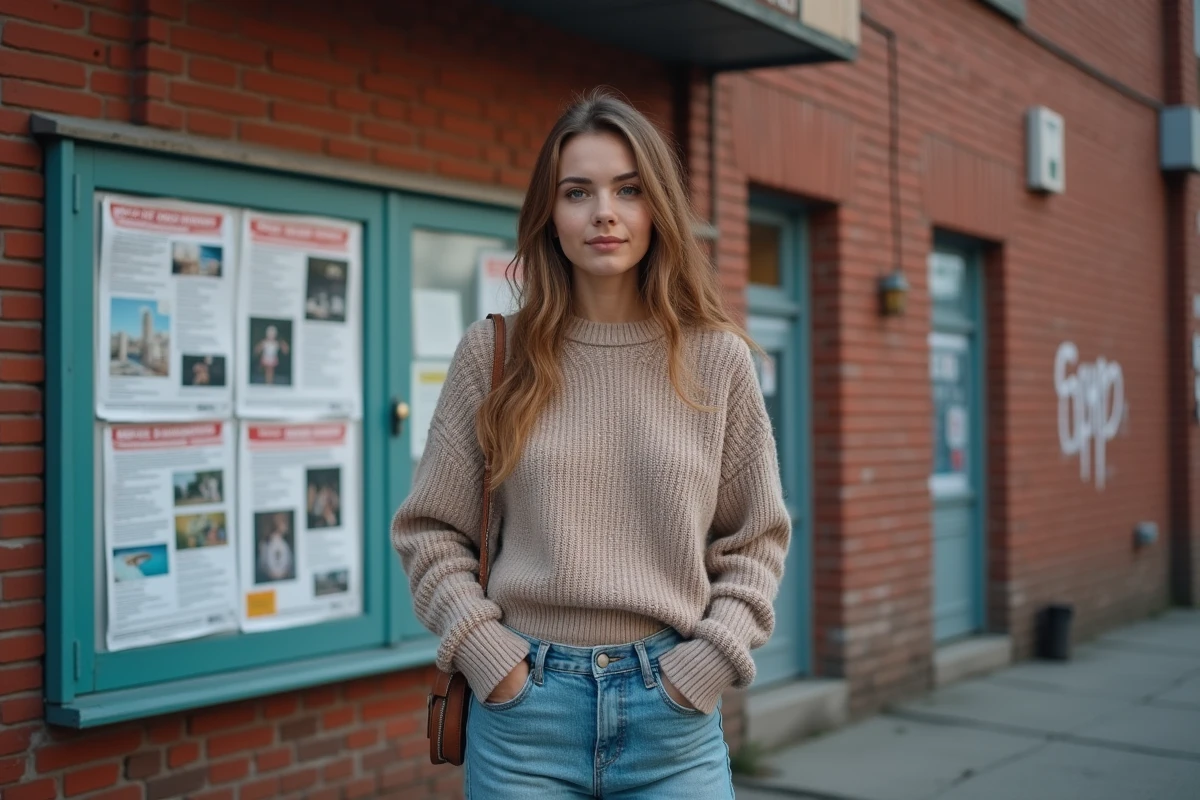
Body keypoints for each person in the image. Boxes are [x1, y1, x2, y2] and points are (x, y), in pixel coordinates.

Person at [391, 90, 791, 799]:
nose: (603, 211)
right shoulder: (493, 355)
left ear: (657, 208)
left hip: (672, 715)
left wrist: (702, 667)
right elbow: (429, 533)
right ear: (550, 214)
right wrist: (492, 660)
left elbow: (755, 542)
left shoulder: (718, 360)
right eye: (578, 192)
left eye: (628, 190)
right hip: (524, 719)